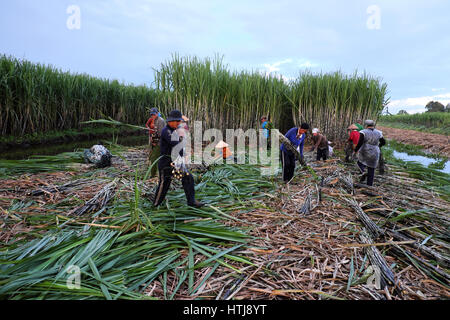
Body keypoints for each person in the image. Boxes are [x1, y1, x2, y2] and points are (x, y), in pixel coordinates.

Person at [153, 110, 204, 208]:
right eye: (176, 121)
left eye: (179, 121)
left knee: (188, 178)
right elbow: (176, 144)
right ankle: (155, 204)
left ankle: (191, 201)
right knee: (164, 184)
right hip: (166, 164)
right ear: (170, 121)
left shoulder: (174, 130)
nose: (178, 123)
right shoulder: (166, 131)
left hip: (175, 163)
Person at [353, 120, 386, 186]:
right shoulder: (379, 132)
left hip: (365, 150)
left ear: (366, 125)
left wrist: (355, 150)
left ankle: (363, 173)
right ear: (373, 125)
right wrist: (378, 146)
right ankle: (369, 185)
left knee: (360, 162)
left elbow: (360, 143)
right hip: (375, 151)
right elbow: (383, 142)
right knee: (371, 168)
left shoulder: (363, 132)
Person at [146, 108, 166, 177]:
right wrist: (152, 138)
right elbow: (154, 131)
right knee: (153, 157)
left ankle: (153, 175)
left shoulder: (160, 121)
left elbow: (160, 134)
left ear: (157, 113)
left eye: (153, 114)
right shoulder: (155, 120)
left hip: (160, 143)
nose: (152, 116)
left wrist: (155, 142)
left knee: (154, 158)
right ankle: (157, 173)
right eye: (151, 114)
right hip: (156, 142)